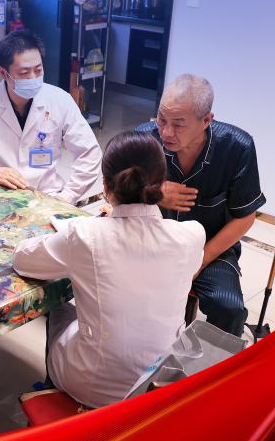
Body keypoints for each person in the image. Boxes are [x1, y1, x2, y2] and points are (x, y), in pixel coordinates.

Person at [13, 131, 205, 408]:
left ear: (105, 186)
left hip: (95, 387)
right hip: (159, 384)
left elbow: (22, 260)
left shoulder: (84, 236)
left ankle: (52, 387)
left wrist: (79, 233)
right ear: (162, 185)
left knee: (60, 310)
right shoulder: (191, 235)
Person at [137, 74, 265, 336]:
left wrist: (201, 259)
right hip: (150, 240)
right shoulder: (143, 139)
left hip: (210, 247)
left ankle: (217, 363)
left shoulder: (237, 148)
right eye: (161, 119)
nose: (166, 132)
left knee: (228, 307)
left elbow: (245, 216)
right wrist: (152, 193)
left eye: (178, 124)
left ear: (207, 120)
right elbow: (113, 190)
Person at [0, 29, 102, 204]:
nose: (33, 78)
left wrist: (68, 196)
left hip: (47, 195)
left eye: (38, 70)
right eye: (24, 73)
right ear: (3, 73)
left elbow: (90, 153)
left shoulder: (60, 100)